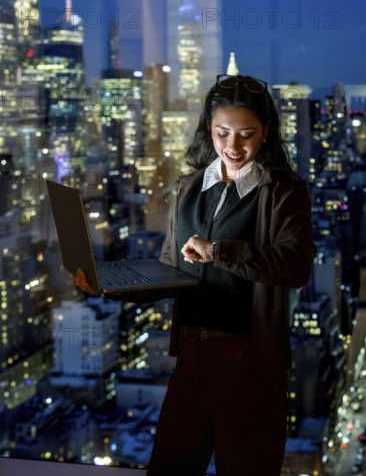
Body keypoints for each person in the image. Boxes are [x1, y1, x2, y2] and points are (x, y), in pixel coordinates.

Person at [75, 74, 316, 476]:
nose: (233, 146)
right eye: (223, 133)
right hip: (190, 358)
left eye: (246, 134)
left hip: (248, 366)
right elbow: (171, 270)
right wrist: (108, 286)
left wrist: (219, 251)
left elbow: (295, 266)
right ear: (209, 128)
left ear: (267, 132)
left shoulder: (283, 192)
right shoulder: (189, 188)